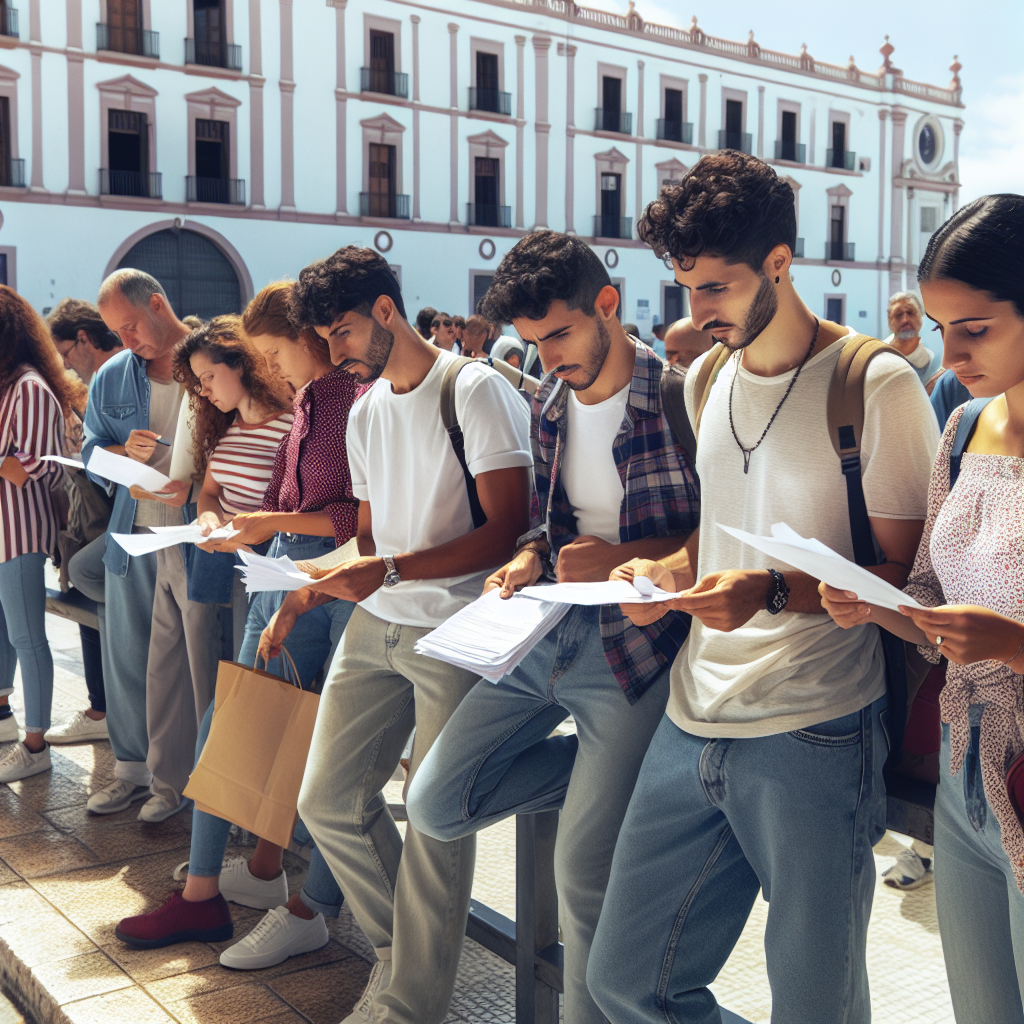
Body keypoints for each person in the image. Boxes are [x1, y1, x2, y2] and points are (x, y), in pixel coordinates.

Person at [586, 151, 939, 1024]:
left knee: (815, 1006)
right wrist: (660, 574)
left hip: (815, 728)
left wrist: (774, 592)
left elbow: (910, 584)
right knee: (624, 981)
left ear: (780, 264)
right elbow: (716, 534)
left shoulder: (875, 384)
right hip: (689, 715)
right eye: (684, 288)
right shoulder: (705, 379)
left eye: (717, 288)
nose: (697, 312)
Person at [406, 232, 700, 1024]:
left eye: (559, 335)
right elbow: (551, 524)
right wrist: (530, 559)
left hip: (637, 652)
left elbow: (721, 539)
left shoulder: (682, 398)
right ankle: (609, 778)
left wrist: (619, 559)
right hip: (547, 640)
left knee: (583, 878)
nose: (548, 357)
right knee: (435, 802)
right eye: (534, 343)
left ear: (608, 305)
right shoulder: (549, 402)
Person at [278, 246, 531, 1024]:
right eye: (324, 337)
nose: (334, 351)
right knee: (327, 801)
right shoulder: (364, 408)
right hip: (377, 623)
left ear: (386, 310)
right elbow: (374, 537)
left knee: (434, 818)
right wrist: (307, 587)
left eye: (344, 331)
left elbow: (509, 530)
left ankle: (413, 1001)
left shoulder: (476, 388)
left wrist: (386, 572)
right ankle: (400, 954)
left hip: (454, 631)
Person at [115, 283, 362, 970]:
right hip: (282, 572)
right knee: (257, 724)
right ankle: (253, 875)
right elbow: (287, 502)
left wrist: (266, 526)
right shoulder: (314, 399)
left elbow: (354, 521)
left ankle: (233, 893)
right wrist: (251, 528)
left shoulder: (342, 400)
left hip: (311, 578)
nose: (270, 366)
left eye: (273, 351)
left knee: (249, 726)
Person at [821, 194, 1024, 1023]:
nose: (952, 353)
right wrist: (876, 605)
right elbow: (932, 604)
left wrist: (1014, 643)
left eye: (974, 328)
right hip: (958, 767)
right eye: (941, 328)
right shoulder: (964, 427)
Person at [127, 317, 294, 824]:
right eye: (196, 382)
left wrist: (243, 529)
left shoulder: (290, 423)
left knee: (256, 690)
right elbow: (210, 493)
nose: (202, 390)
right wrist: (206, 520)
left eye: (209, 377)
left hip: (266, 573)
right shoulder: (226, 427)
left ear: (241, 365)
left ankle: (256, 814)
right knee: (221, 687)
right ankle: (220, 806)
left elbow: (294, 506)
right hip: (221, 563)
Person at [83, 270, 192, 814]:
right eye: (115, 332)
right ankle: (130, 770)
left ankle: (180, 778)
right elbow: (90, 453)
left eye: (129, 327)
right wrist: (122, 457)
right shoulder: (111, 378)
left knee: (192, 663)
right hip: (133, 532)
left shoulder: (211, 361)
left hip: (196, 533)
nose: (125, 341)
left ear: (157, 303)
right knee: (126, 653)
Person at [0, 287, 84, 778]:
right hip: (6, 528)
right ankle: (7, 718)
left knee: (29, 637)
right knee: (6, 632)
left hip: (21, 528)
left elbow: (23, 469)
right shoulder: (10, 384)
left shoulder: (28, 387)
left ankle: (36, 747)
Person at [42, 299, 121, 744]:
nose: (67, 364)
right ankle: (103, 709)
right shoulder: (96, 385)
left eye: (67, 353)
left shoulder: (110, 381)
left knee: (103, 607)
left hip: (115, 522)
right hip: (96, 522)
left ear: (85, 339)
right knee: (96, 613)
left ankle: (106, 711)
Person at [48, 298, 124, 386]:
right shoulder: (104, 381)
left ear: (83, 339)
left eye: (65, 355)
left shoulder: (129, 372)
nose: (66, 366)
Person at [884, 291, 942, 387]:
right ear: (890, 323)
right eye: (898, 314)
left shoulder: (934, 365)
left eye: (910, 313)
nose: (905, 320)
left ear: (921, 319)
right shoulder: (878, 356)